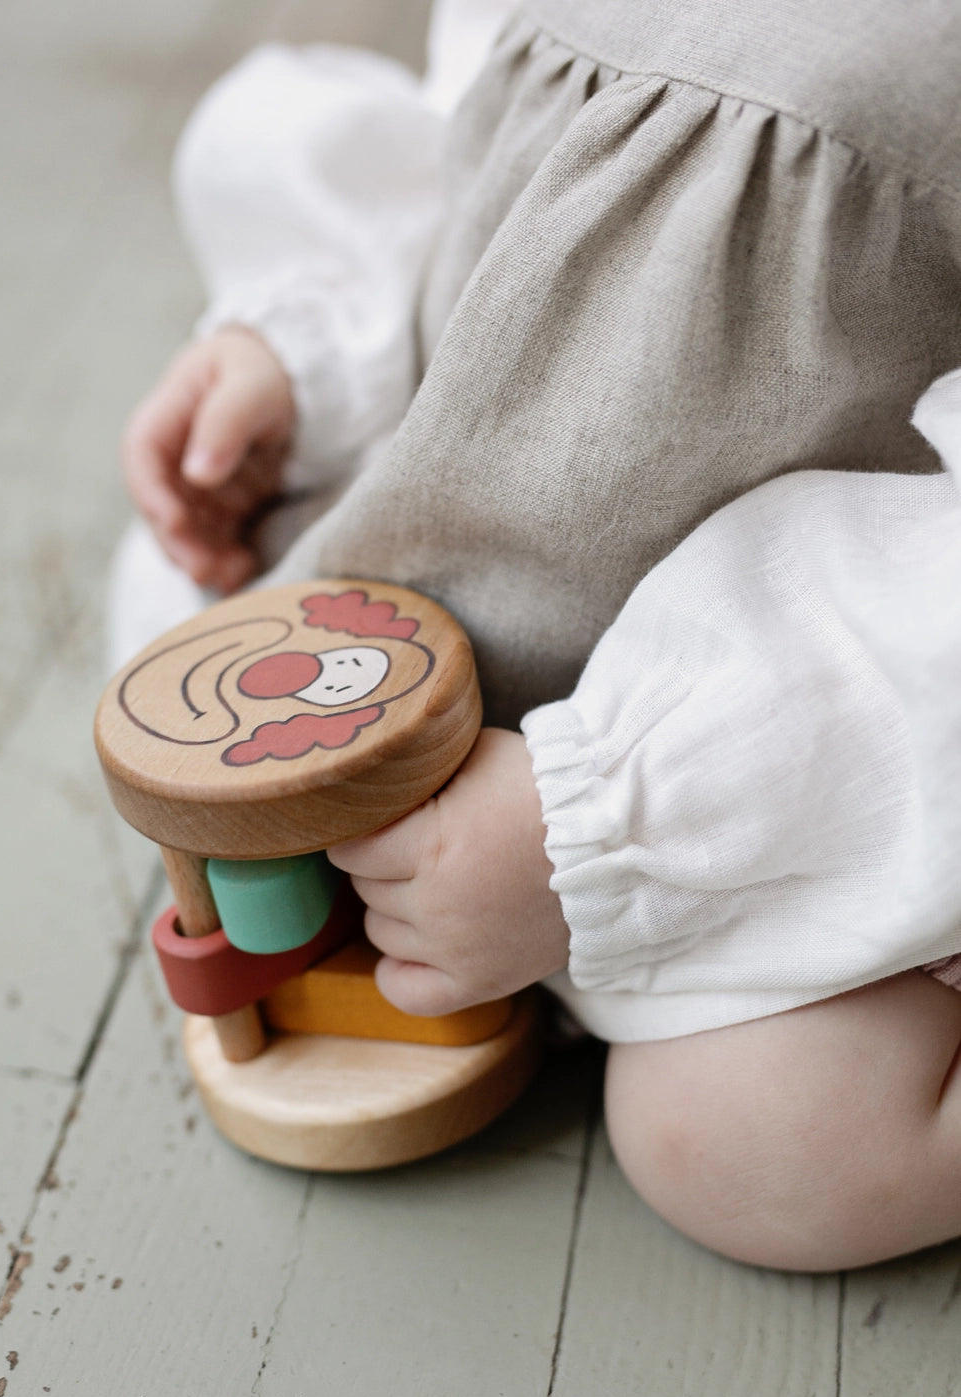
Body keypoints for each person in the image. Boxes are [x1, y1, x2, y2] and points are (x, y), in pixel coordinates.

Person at [111, 0, 961, 1273]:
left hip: (794, 728)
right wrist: (308, 355)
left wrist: (607, 822)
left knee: (760, 1145)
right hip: (473, 611)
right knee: (172, 612)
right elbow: (490, 157)